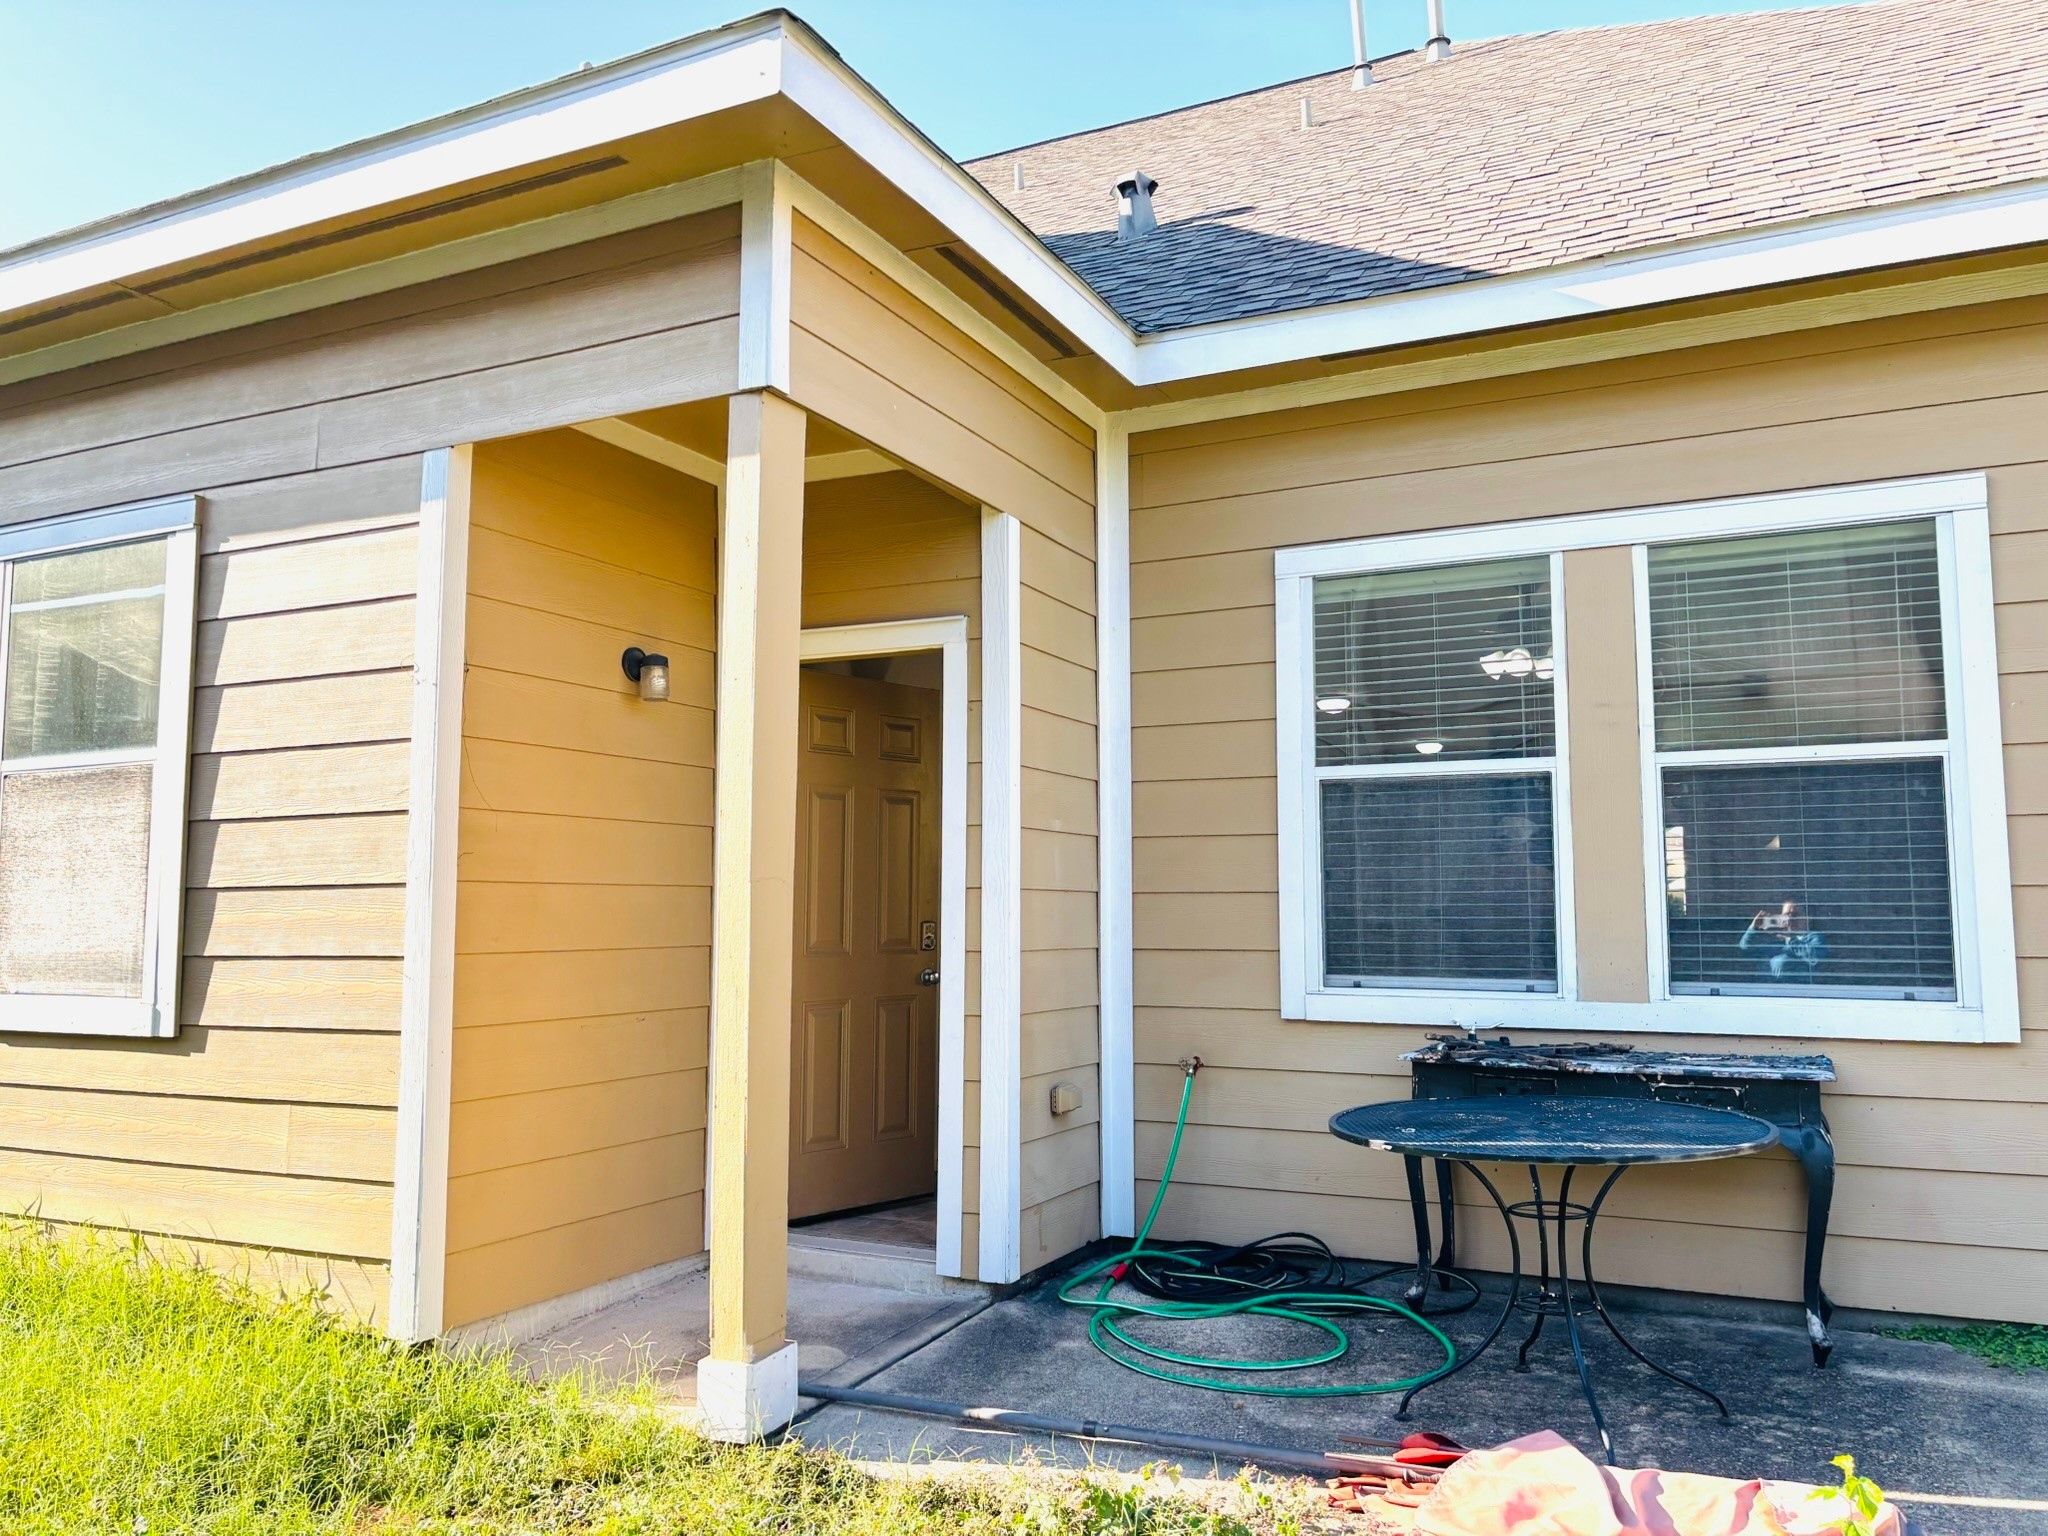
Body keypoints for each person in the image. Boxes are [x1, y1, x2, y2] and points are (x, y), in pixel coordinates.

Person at [1738, 899, 1826, 983]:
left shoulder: (1813, 937)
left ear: (1808, 917)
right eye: (1786, 915)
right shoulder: (1774, 938)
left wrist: (1789, 938)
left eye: (1795, 915)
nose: (1790, 919)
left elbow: (1815, 957)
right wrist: (1753, 928)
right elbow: (1745, 949)